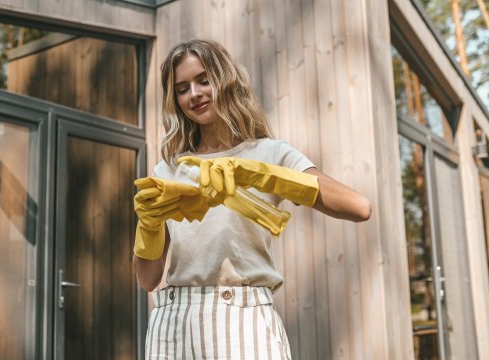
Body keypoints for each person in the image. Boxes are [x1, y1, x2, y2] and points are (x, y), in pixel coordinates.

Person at [132, 39, 372, 360]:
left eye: (205, 80)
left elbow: (359, 207)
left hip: (245, 320)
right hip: (175, 323)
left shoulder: (269, 154)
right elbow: (147, 279)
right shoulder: (169, 170)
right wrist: (148, 225)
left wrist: (264, 175)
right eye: (182, 88)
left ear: (226, 80)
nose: (195, 94)